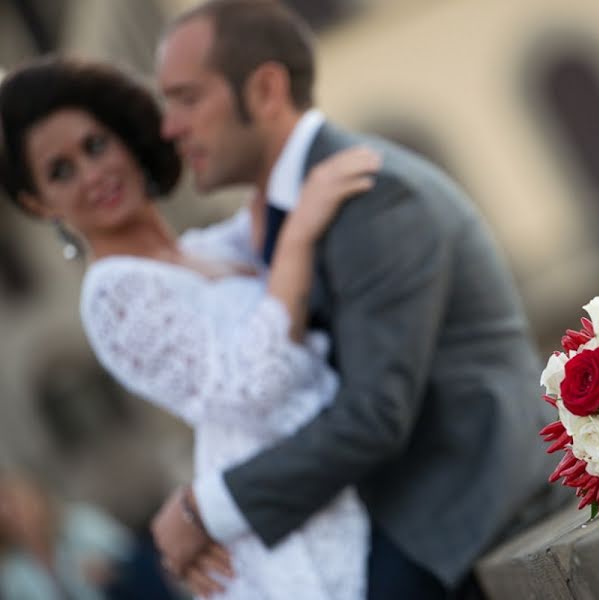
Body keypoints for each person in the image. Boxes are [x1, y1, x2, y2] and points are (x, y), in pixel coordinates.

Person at [150, 1, 564, 598]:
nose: (170, 127)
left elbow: (374, 416)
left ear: (266, 89)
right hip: (398, 519)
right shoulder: (271, 216)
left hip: (466, 517)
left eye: (187, 98)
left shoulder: (374, 195)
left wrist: (206, 509)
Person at [0, 56, 382, 599]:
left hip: (343, 478)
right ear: (39, 203)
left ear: (127, 139)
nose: (92, 174)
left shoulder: (208, 247)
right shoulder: (114, 294)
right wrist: (297, 239)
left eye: (95, 145)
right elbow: (252, 388)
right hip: (307, 541)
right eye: (60, 171)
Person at [0, 473, 135, 600]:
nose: (8, 512)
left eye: (12, 502)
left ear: (35, 497)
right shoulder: (10, 570)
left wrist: (112, 572)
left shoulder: (80, 522)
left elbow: (134, 557)